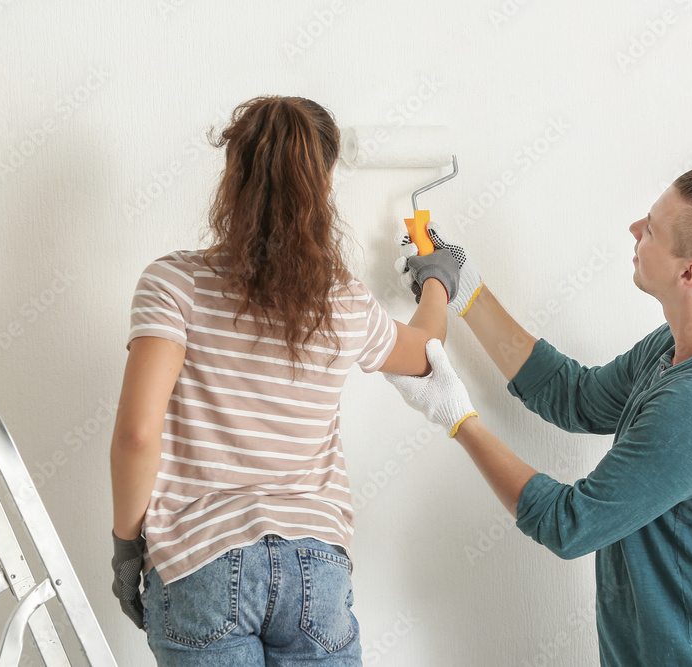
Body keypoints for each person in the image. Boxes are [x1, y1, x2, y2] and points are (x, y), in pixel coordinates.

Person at [387, 166, 692, 665]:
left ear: (690, 273)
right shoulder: (680, 346)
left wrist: (456, 417)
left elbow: (570, 524)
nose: (633, 230)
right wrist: (467, 288)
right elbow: (576, 396)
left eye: (650, 228)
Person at [109, 95, 459, 665]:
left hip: (201, 562)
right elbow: (426, 352)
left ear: (232, 179)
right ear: (321, 188)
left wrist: (127, 549)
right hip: (314, 567)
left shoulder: (173, 284)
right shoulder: (342, 301)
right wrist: (438, 277)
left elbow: (136, 437)